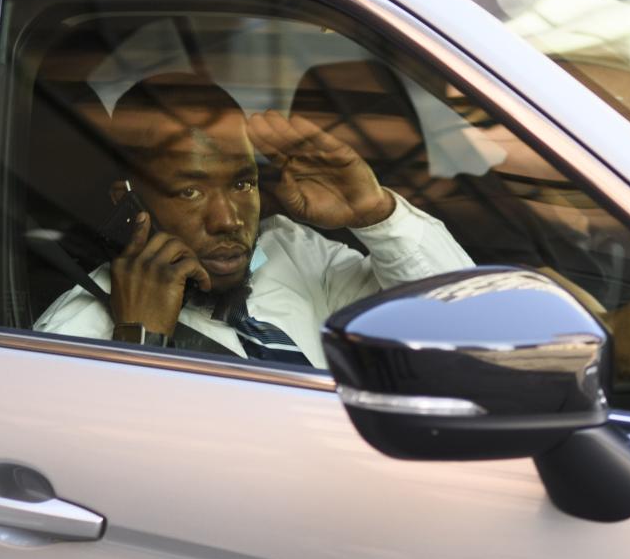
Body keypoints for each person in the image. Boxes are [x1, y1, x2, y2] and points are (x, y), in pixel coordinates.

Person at [34, 73, 473, 368]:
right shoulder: (76, 333)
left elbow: (467, 327)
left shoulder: (293, 252)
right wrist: (142, 343)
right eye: (190, 192)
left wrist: (378, 215)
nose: (227, 220)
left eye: (242, 185)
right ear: (128, 202)